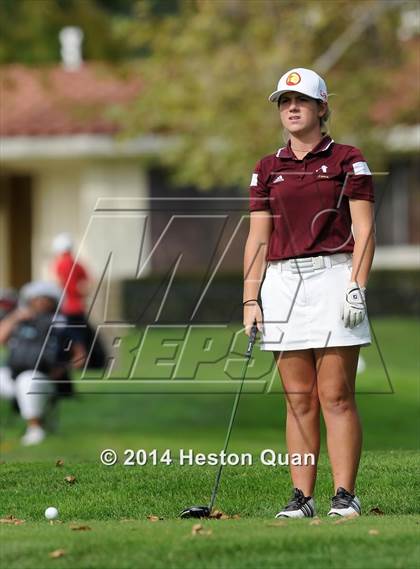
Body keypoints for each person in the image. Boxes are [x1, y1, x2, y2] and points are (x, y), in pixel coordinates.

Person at [243, 68, 375, 518]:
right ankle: (302, 498)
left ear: (322, 107)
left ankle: (345, 494)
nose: (291, 108)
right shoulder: (266, 168)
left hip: (335, 276)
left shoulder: (347, 159)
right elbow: (258, 239)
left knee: (335, 394)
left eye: (300, 100)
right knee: (297, 398)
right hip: (281, 284)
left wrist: (357, 285)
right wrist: (250, 299)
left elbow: (364, 229)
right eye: (284, 102)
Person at [0, 281, 85, 445]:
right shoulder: (20, 319)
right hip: (13, 374)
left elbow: (80, 356)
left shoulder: (63, 324)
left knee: (27, 380)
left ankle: (35, 429)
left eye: (45, 299)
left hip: (45, 378)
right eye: (36, 299)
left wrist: (62, 369)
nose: (40, 302)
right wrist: (15, 317)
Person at [51, 232, 106, 369]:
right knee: (80, 336)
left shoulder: (60, 263)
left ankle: (78, 363)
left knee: (73, 338)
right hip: (78, 307)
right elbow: (87, 281)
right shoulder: (76, 263)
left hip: (67, 307)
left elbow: (66, 286)